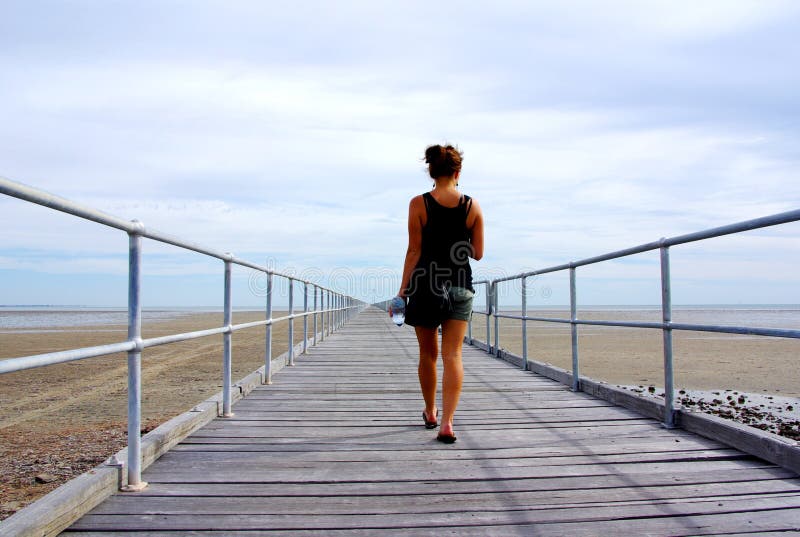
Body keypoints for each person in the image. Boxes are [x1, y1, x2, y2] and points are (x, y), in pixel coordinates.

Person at [394, 144, 484, 443]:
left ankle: (431, 411)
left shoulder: (418, 204)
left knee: (428, 354)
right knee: (453, 354)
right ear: (457, 173)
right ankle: (447, 423)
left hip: (424, 286)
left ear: (432, 173)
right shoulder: (473, 207)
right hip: (460, 285)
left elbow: (413, 250)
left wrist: (402, 290)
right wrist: (458, 242)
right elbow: (479, 253)